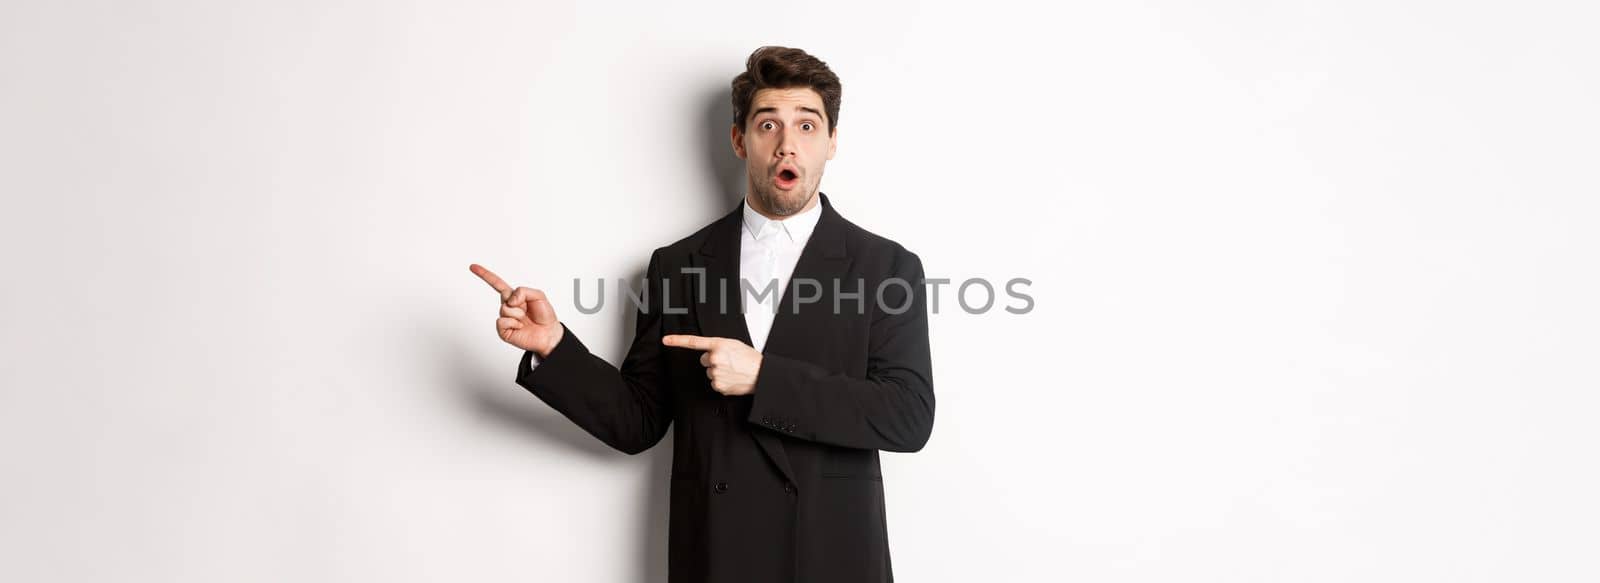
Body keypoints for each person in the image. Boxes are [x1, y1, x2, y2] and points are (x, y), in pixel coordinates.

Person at [469, 46, 934, 583]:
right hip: (716, 553)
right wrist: (554, 347)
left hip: (832, 554)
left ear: (832, 142)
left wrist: (762, 377)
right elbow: (638, 422)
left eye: (807, 126)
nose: (788, 144)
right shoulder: (678, 265)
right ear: (740, 140)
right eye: (768, 125)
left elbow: (908, 416)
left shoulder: (886, 266)